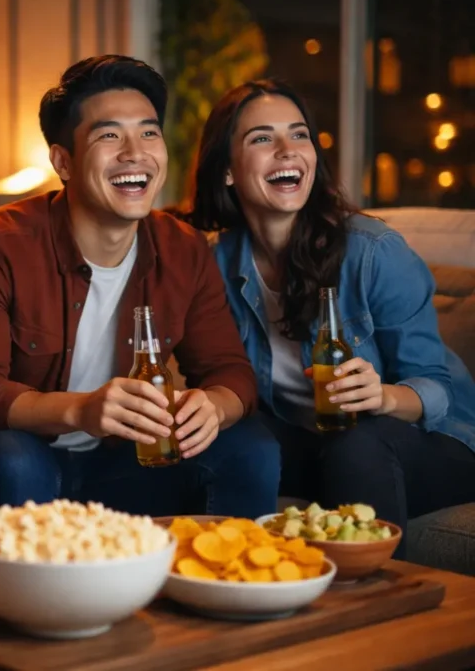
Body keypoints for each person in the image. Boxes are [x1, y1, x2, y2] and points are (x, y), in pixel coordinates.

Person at [0, 55, 280, 519]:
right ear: (63, 161)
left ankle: (224, 585)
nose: (135, 152)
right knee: (13, 457)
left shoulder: (183, 248)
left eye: (148, 132)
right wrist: (81, 411)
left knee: (249, 443)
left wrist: (214, 406)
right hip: (28, 462)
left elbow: (230, 369)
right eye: (109, 135)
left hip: (128, 465)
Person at [185, 78, 475, 555]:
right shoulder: (215, 263)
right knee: (231, 441)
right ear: (227, 171)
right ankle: (233, 582)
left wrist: (380, 396)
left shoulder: (373, 252)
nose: (287, 150)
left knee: (355, 444)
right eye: (262, 138)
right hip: (311, 438)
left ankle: (375, 607)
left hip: (430, 442)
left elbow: (436, 389)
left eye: (299, 135)